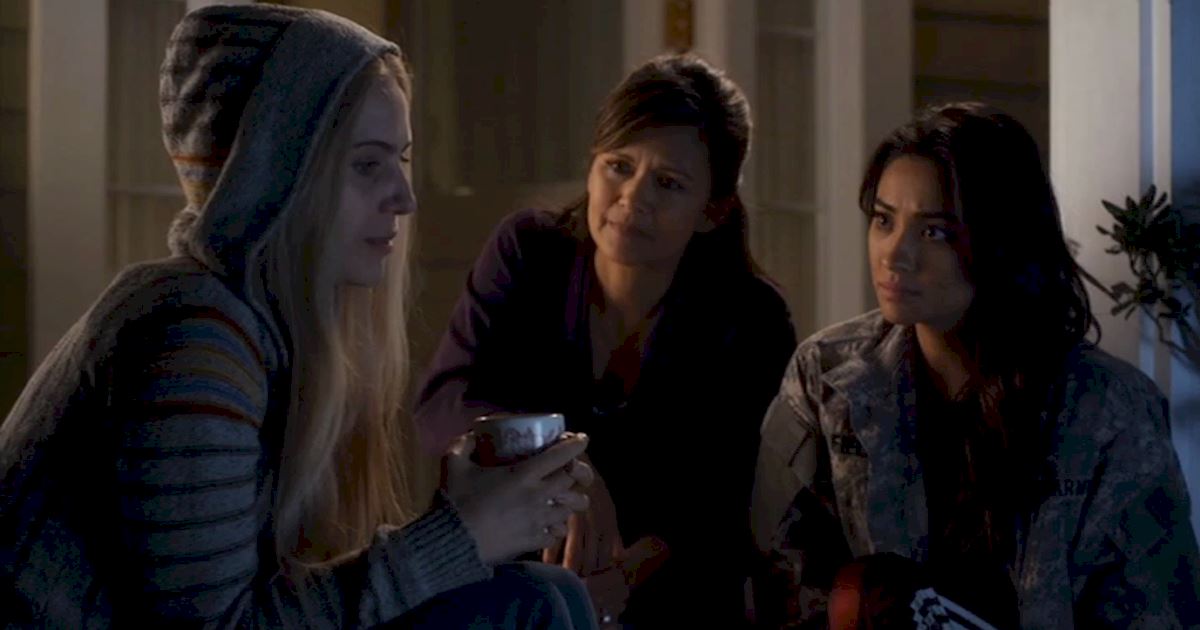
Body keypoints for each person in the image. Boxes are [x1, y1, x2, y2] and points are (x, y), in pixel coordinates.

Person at [0, 5, 597, 628]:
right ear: (272, 176)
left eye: (401, 159)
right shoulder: (191, 335)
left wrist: (476, 522)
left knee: (548, 591)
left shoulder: (278, 328)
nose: (404, 197)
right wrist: (459, 536)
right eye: (366, 164)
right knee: (528, 604)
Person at [749, 102, 1200, 628]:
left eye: (935, 232)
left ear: (1001, 240)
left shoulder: (1110, 409)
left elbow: (1156, 609)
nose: (894, 255)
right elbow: (777, 573)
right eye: (884, 220)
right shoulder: (825, 375)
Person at [413, 53, 797, 628]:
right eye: (619, 166)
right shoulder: (529, 251)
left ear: (713, 211)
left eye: (669, 184)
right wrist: (569, 467)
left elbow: (727, 506)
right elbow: (445, 403)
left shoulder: (751, 319)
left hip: (669, 600)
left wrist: (619, 583)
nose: (633, 198)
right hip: (504, 576)